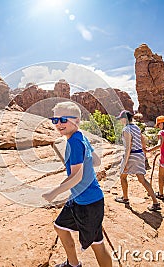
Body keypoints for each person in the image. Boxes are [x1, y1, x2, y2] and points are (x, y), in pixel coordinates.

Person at [42, 101, 112, 267]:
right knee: (60, 227)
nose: (58, 124)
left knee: (97, 245)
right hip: (79, 199)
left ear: (77, 121)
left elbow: (76, 178)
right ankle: (73, 264)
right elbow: (96, 161)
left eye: (63, 119)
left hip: (88, 203)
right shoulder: (80, 137)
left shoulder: (74, 142)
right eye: (55, 120)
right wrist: (79, 161)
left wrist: (54, 193)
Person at [114, 110, 161, 211]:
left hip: (132, 156)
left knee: (122, 176)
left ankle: (125, 198)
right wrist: (144, 151)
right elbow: (142, 139)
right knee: (142, 179)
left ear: (125, 119)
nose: (120, 121)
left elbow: (128, 148)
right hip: (139, 155)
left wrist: (125, 163)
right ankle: (155, 202)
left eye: (121, 119)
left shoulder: (126, 129)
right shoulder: (136, 127)